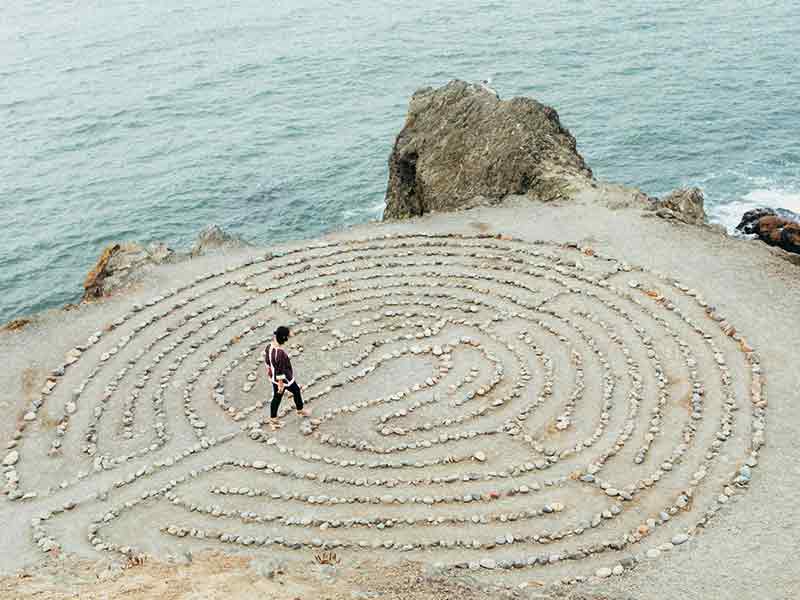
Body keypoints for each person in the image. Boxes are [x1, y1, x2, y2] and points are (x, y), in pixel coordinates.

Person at [265, 325, 309, 430]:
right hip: (284, 379)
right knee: (295, 391)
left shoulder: (269, 346)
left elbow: (267, 361)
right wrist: (281, 384)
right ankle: (299, 410)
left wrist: (269, 373)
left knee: (277, 397)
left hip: (273, 377)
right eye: (287, 337)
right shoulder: (279, 353)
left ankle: (274, 419)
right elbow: (280, 369)